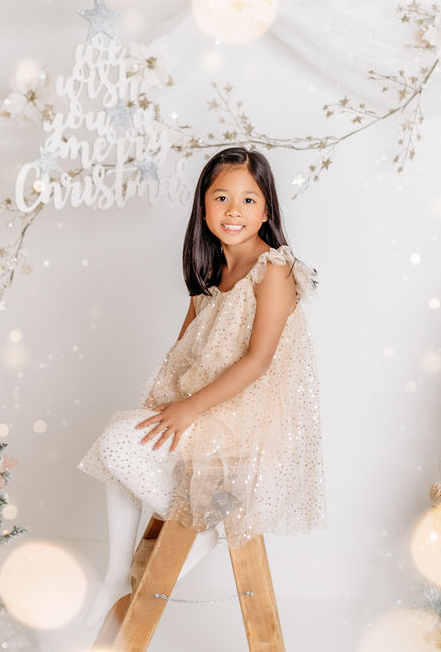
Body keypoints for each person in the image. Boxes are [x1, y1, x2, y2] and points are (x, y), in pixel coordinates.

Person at [78, 146, 326, 627]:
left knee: (120, 444)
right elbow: (183, 354)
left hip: (247, 424)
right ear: (204, 207)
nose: (234, 211)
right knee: (119, 442)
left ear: (266, 211)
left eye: (248, 200)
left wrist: (189, 409)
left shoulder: (274, 270)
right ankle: (118, 574)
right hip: (210, 413)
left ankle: (203, 527)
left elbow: (258, 361)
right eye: (221, 198)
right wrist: (167, 408)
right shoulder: (211, 276)